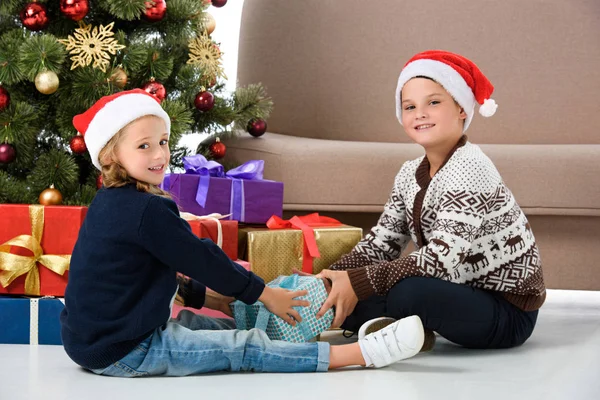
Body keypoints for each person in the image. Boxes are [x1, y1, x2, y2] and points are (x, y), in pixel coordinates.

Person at [60, 89, 426, 377]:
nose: (160, 154)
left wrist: (213, 299)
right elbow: (200, 257)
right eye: (144, 145)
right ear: (110, 156)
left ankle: (295, 333)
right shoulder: (146, 209)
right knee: (242, 348)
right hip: (127, 349)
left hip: (95, 340)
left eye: (164, 141)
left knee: (203, 326)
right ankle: (360, 354)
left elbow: (137, 274)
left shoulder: (110, 202)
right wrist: (263, 293)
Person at [314, 50, 546, 350]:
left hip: (507, 310)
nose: (419, 113)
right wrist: (332, 277)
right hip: (456, 289)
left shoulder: (471, 167)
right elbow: (381, 244)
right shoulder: (408, 173)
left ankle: (402, 322)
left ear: (461, 108)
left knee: (407, 294)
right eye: (409, 106)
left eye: (433, 102)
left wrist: (357, 283)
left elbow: (441, 261)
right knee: (343, 297)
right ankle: (404, 328)